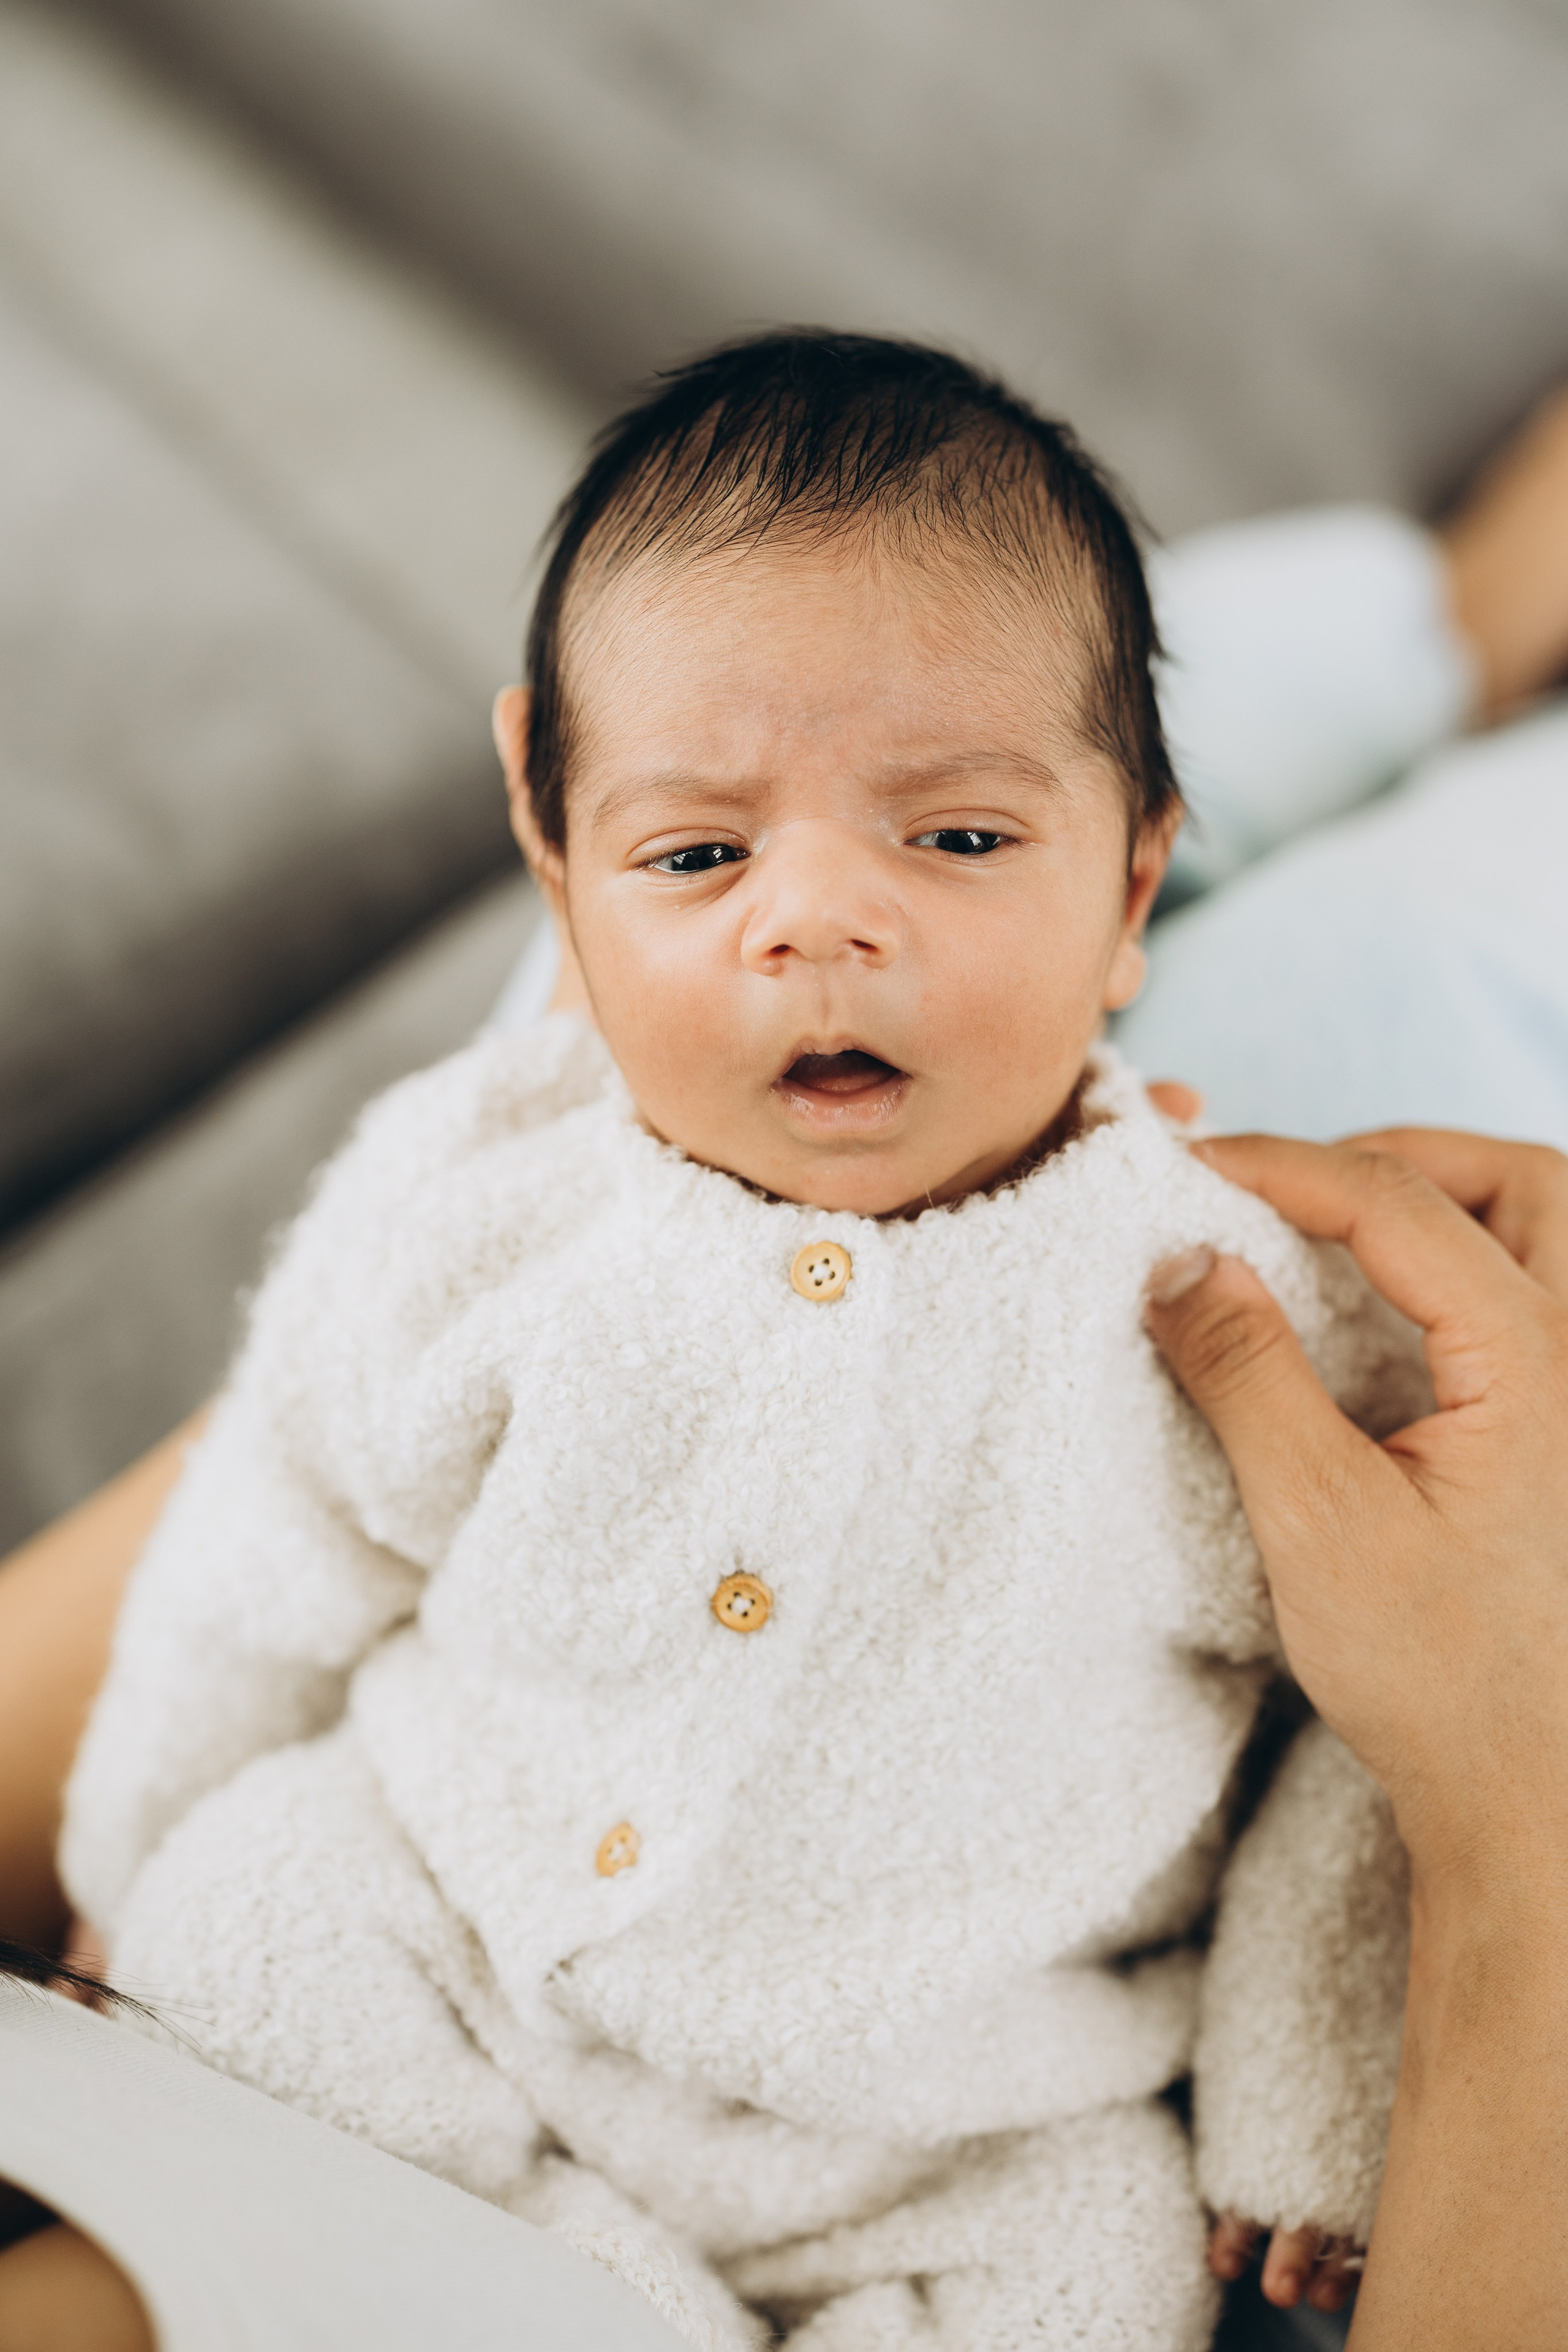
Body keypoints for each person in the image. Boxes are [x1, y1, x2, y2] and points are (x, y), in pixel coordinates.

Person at [37, 332, 1446, 2352]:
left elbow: (1379, 1723)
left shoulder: (1234, 1309)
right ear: (561, 869)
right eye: (698, 856)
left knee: (1098, 2283)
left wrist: (1309, 2114)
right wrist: (137, 1835)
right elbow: (278, 1533)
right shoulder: (484, 1199)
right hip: (457, 1954)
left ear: (1135, 881)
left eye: (955, 841)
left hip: (957, 2129)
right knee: (242, 1918)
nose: (816, 921)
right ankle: (597, 2299)